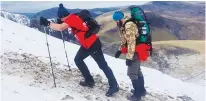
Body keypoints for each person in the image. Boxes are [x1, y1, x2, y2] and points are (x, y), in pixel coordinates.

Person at [40, 3, 119, 97]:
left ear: (62, 17)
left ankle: (114, 86)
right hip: (87, 45)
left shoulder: (71, 19)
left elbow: (61, 28)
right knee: (78, 60)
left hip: (93, 45)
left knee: (103, 66)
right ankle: (89, 81)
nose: (60, 20)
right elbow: (66, 25)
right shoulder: (73, 17)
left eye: (60, 18)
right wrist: (59, 22)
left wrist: (48, 23)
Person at [112, 10, 148, 101]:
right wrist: (120, 50)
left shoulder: (128, 26)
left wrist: (129, 57)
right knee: (137, 71)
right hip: (136, 51)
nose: (116, 23)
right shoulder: (125, 25)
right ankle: (141, 91)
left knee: (131, 73)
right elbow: (125, 41)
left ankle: (137, 96)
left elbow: (131, 42)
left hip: (135, 52)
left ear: (120, 19)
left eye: (116, 21)